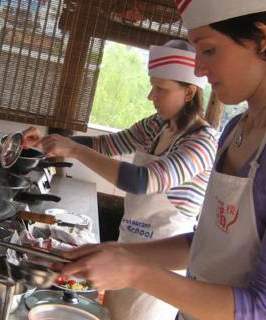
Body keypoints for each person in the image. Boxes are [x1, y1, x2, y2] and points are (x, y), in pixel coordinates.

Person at [58, 0, 266, 320]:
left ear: (261, 39)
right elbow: (207, 247)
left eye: (208, 49)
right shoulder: (237, 129)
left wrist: (134, 271)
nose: (197, 68)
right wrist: (119, 254)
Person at [23, 39, 218, 320]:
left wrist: (75, 150)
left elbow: (142, 181)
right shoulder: (156, 126)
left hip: (158, 272)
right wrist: (50, 142)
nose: (152, 95)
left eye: (161, 89)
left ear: (189, 92)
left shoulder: (202, 143)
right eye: (153, 85)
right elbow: (106, 144)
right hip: (123, 252)